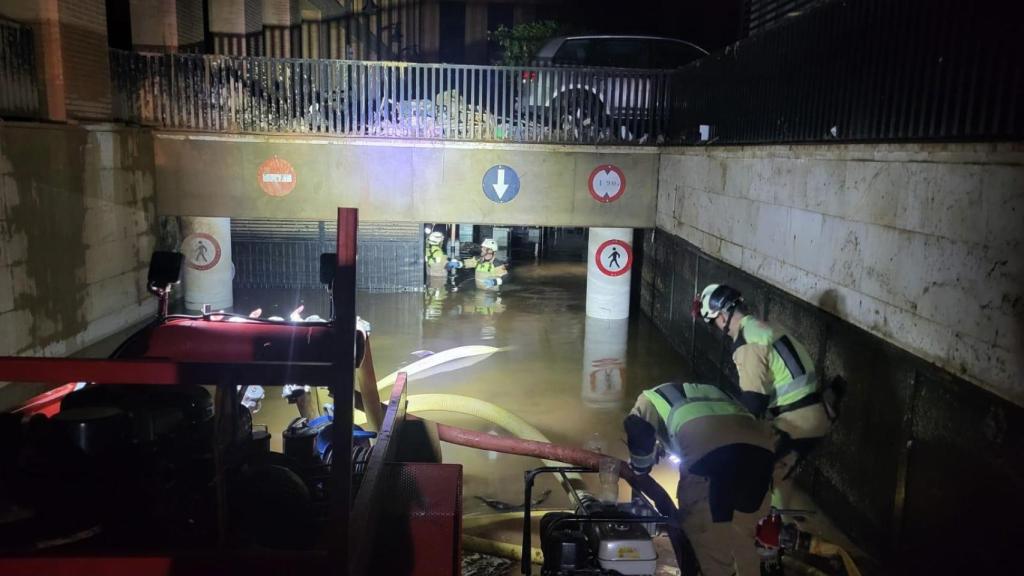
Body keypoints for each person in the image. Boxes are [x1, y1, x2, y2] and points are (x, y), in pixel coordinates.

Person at [696, 283, 832, 509]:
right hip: (817, 412)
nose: (717, 328)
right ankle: (782, 522)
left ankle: (762, 526)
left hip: (796, 421)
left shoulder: (747, 343)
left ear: (721, 316)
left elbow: (753, 403)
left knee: (747, 477)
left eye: (713, 322)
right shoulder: (769, 327)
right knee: (778, 477)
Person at [624, 381, 774, 576]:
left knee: (708, 541)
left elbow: (639, 431)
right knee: (742, 539)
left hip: (708, 458)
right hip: (761, 456)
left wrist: (639, 469)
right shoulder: (714, 391)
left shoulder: (649, 398)